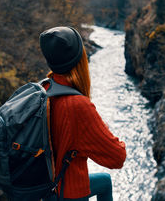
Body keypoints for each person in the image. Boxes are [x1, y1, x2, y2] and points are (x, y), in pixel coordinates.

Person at [39, 26, 126, 201]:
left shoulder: (42, 89)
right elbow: (117, 157)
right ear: (80, 60)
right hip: (67, 193)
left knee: (104, 181)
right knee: (105, 180)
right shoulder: (78, 106)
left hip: (42, 189)